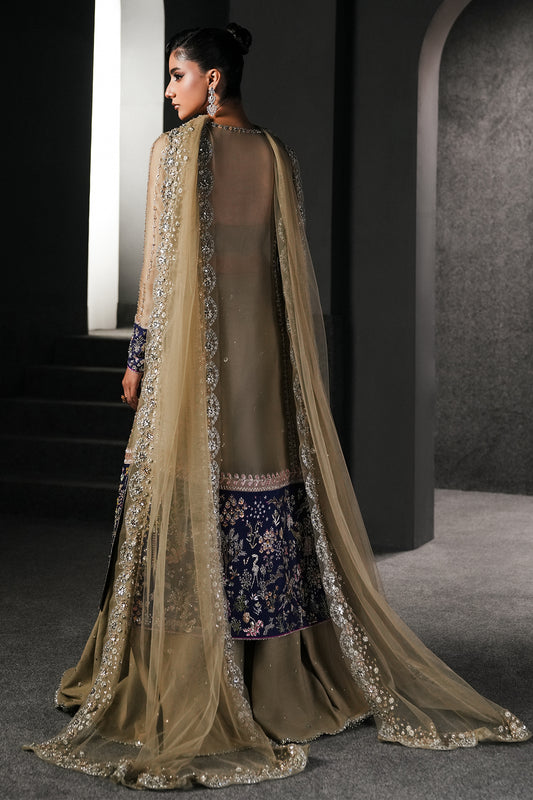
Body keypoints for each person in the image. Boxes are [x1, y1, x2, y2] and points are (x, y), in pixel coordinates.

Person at [25, 23, 530, 790]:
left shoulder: (175, 152)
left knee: (185, 489)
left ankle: (186, 665)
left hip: (194, 357)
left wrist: (139, 357)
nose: (168, 90)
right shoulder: (275, 154)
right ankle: (272, 672)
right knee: (258, 492)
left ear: (213, 80)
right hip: (261, 356)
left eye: (177, 75)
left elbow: (160, 267)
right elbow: (279, 270)